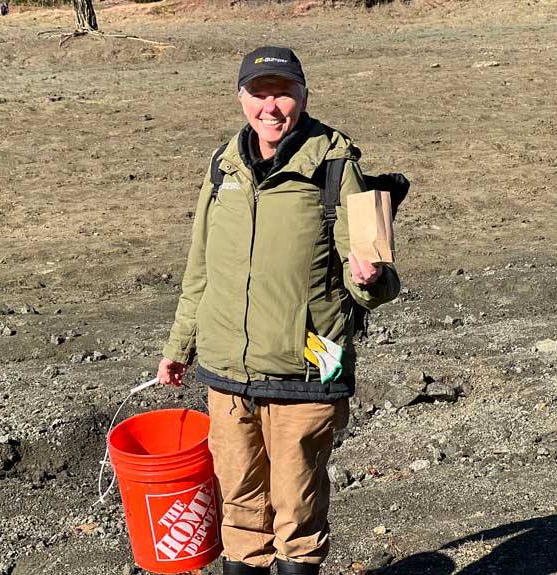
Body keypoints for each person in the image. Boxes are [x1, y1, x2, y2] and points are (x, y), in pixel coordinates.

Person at [156, 46, 400, 575]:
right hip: (227, 369)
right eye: (258, 94)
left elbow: (377, 284)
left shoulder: (337, 166)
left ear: (304, 96)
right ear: (241, 98)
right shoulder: (223, 166)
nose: (270, 107)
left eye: (282, 93)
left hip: (310, 365)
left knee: (296, 505)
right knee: (239, 501)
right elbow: (200, 266)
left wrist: (372, 277)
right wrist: (179, 347)